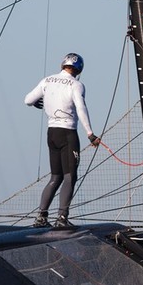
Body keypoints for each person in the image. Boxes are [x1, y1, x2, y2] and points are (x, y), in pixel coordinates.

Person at [24, 52, 100, 228]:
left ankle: (41, 217)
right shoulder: (76, 85)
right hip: (68, 134)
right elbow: (81, 108)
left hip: (51, 133)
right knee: (70, 177)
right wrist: (90, 133)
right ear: (79, 68)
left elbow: (28, 100)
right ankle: (62, 218)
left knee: (55, 177)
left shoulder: (47, 80)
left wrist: (36, 103)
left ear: (62, 65)